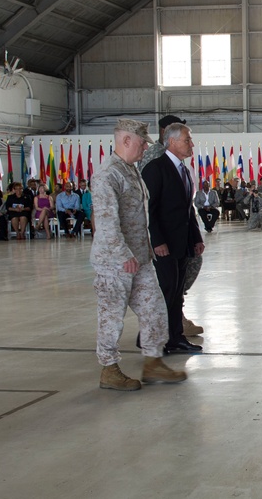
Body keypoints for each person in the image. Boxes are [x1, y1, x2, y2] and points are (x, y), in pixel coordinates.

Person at [90, 118, 185, 391]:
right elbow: (106, 222)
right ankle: (109, 369)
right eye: (142, 142)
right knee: (111, 315)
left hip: (140, 258)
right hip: (115, 261)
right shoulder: (107, 174)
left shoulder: (130, 171)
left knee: (155, 309)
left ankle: (153, 363)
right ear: (126, 140)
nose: (145, 147)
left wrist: (142, 252)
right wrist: (123, 255)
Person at [142, 123, 205, 355]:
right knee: (166, 292)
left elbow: (187, 209)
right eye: (187, 140)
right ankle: (151, 337)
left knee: (176, 293)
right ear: (172, 142)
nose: (191, 144)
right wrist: (157, 241)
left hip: (182, 243)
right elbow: (149, 209)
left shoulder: (184, 170)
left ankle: (174, 338)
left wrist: (196, 237)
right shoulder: (156, 168)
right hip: (164, 245)